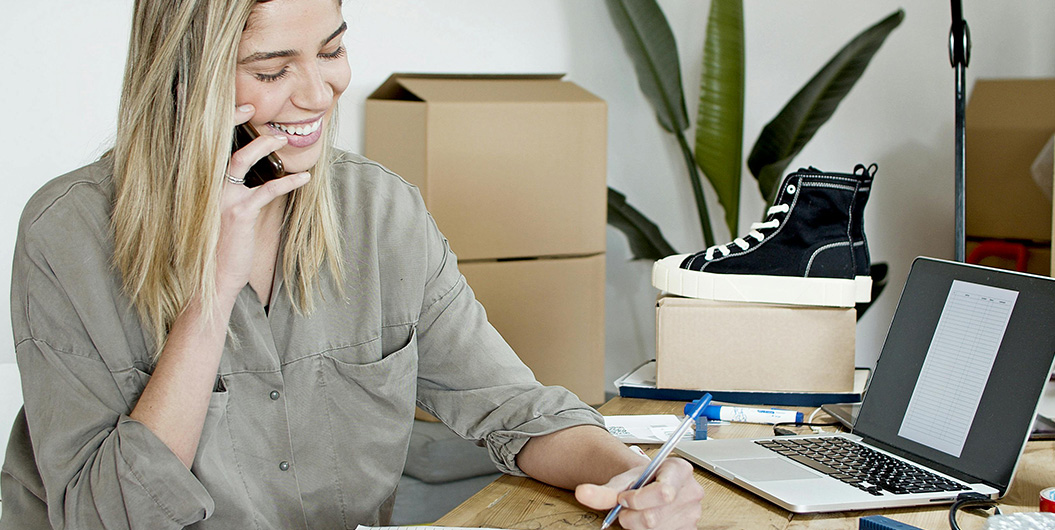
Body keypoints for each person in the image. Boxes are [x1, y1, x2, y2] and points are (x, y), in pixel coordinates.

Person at [0, 0, 704, 528]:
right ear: (183, 79)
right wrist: (209, 298)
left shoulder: (379, 212)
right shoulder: (67, 235)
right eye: (272, 70)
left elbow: (511, 407)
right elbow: (104, 517)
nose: (318, 94)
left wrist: (636, 476)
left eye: (331, 51)